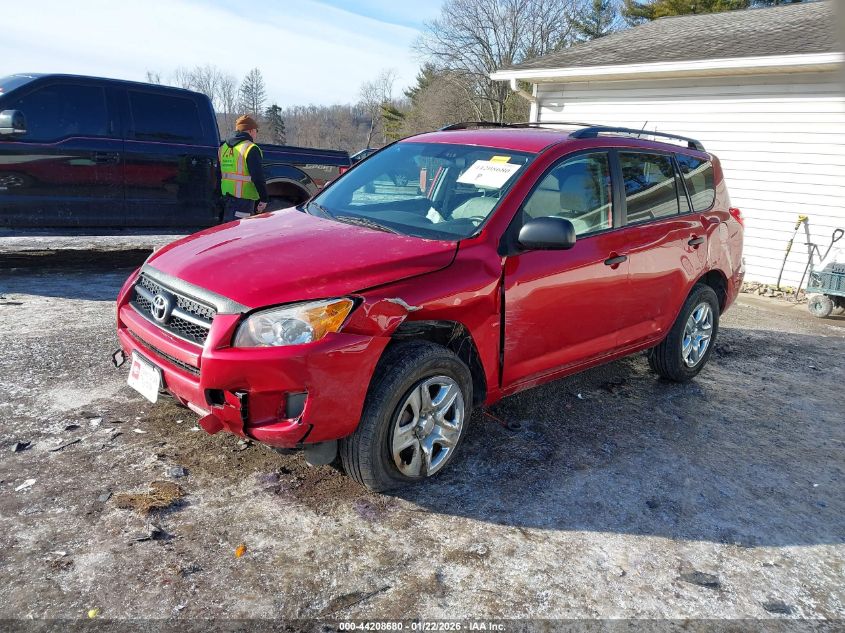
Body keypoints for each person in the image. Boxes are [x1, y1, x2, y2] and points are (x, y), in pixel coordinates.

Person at [218, 115, 269, 222]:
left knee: (228, 232)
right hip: (244, 200)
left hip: (226, 198)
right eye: (256, 131)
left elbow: (219, 173)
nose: (256, 134)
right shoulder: (250, 148)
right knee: (241, 234)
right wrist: (264, 198)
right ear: (250, 131)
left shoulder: (223, 148)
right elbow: (258, 176)